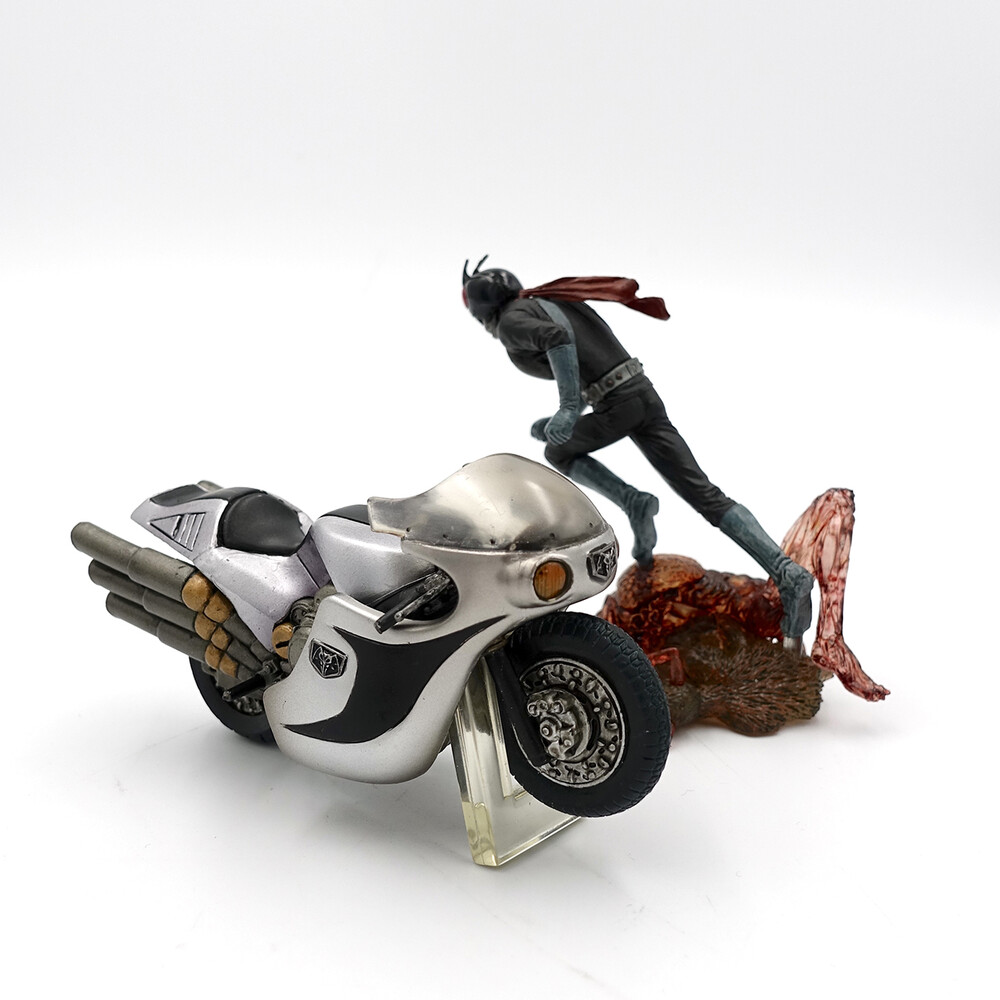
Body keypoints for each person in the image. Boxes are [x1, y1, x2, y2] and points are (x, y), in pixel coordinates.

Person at [461, 256, 815, 641]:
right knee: (708, 496)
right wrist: (565, 415)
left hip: (618, 407)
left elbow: (558, 340)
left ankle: (632, 501)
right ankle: (786, 570)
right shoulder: (549, 301)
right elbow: (588, 365)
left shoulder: (513, 319)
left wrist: (567, 411)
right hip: (642, 393)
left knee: (558, 453)